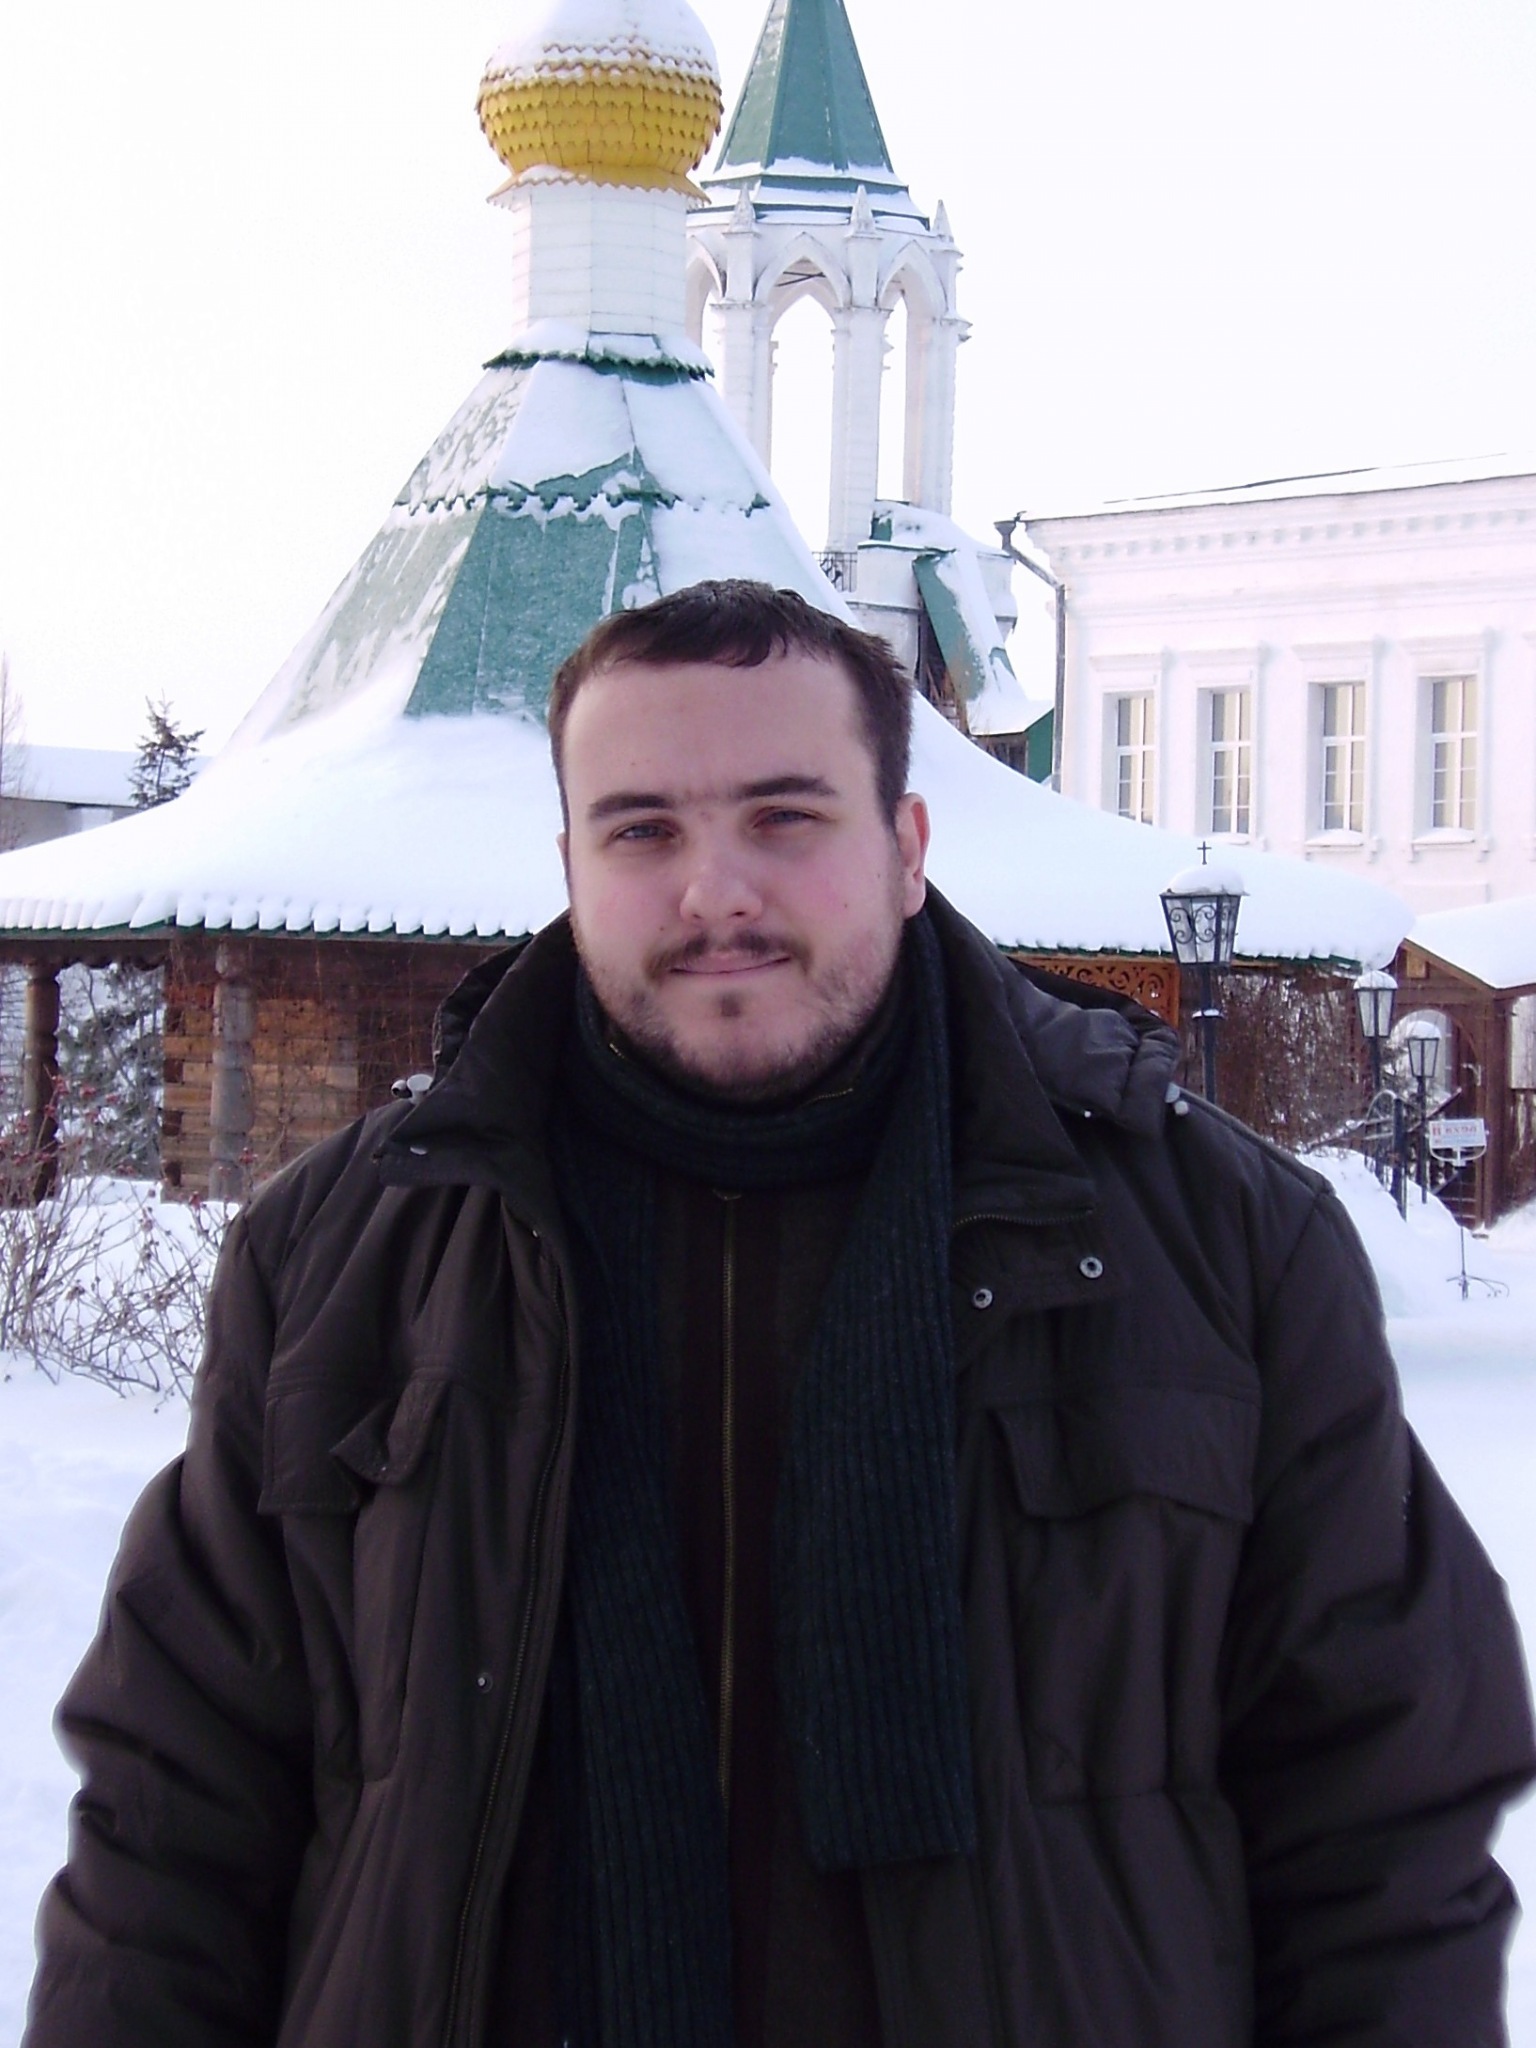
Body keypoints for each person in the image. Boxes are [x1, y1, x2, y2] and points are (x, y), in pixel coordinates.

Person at [26, 580, 1535, 2048]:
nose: (717, 891)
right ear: (571, 862)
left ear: (907, 846)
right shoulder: (350, 1253)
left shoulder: (1215, 1245)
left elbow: (1381, 1812)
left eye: (784, 816)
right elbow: (179, 1809)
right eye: (643, 829)